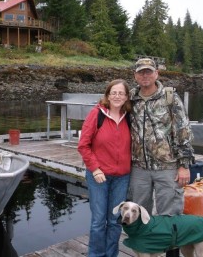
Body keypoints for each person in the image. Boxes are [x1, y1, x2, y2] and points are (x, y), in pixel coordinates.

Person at [128, 58, 194, 257]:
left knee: (170, 215)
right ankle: (144, 250)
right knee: (139, 213)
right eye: (141, 72)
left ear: (156, 73)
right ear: (135, 75)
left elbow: (183, 131)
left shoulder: (169, 97)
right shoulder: (131, 98)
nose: (145, 75)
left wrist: (184, 165)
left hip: (168, 167)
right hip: (139, 168)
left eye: (149, 71)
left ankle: (171, 254)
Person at [78, 79, 132, 257]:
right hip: (98, 176)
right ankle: (96, 255)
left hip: (122, 177)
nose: (117, 96)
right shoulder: (97, 114)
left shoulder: (129, 116)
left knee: (115, 220)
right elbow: (83, 145)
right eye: (114, 92)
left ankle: (111, 254)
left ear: (126, 97)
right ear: (108, 95)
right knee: (99, 221)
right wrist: (95, 169)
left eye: (121, 93)